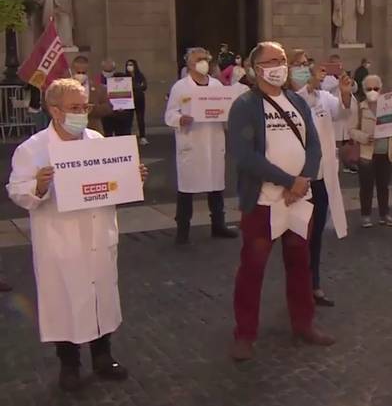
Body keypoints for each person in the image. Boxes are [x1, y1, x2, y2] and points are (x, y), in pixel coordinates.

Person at [6, 78, 148, 391]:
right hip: (61, 240)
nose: (81, 113)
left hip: (99, 233)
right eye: (74, 108)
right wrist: (40, 186)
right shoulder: (32, 150)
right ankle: (69, 364)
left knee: (101, 298)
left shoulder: (98, 140)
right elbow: (17, 191)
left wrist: (132, 177)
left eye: (84, 107)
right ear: (53, 110)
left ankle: (103, 356)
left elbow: (115, 184)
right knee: (65, 302)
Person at [228, 41, 335, 361]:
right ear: (257, 68)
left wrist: (302, 181)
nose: (280, 65)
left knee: (300, 263)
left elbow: (313, 145)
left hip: (298, 201)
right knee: (253, 267)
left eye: (283, 60)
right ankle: (244, 333)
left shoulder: (295, 102)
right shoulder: (245, 105)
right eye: (273, 60)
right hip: (263, 201)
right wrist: (289, 181)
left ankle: (304, 323)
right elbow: (245, 156)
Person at [289, 50, 354, 306]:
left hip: (321, 178)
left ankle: (314, 284)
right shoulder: (289, 98)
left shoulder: (324, 97)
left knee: (315, 235)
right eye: (299, 65)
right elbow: (300, 104)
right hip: (298, 178)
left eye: (307, 64)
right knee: (298, 237)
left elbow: (341, 113)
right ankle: (298, 287)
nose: (305, 68)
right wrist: (308, 85)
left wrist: (345, 92)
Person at [165, 48, 238, 244]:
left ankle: (218, 225)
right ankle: (183, 229)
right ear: (189, 64)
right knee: (187, 188)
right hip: (191, 142)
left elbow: (226, 108)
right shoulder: (180, 87)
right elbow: (169, 114)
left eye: (205, 58)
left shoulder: (216, 85)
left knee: (216, 186)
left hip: (213, 141)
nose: (203, 62)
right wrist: (181, 119)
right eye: (198, 59)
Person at [350, 74, 392, 228]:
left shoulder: (390, 106)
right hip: (367, 153)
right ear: (364, 90)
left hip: (387, 152)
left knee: (383, 186)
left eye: (376, 88)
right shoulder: (359, 108)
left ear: (381, 88)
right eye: (369, 88)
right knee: (366, 186)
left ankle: (384, 214)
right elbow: (351, 130)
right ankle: (365, 215)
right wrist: (365, 137)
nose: (373, 91)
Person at [98, 59, 134, 137]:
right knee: (107, 134)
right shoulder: (97, 79)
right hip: (106, 112)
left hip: (121, 112)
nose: (108, 73)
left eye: (110, 71)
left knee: (122, 135)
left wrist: (124, 105)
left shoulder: (122, 77)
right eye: (106, 71)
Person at [125, 59, 149, 145]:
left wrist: (135, 87)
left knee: (140, 118)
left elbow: (144, 86)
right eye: (128, 65)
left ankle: (142, 137)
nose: (129, 67)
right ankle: (128, 137)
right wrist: (137, 86)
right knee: (128, 119)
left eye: (131, 65)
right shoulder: (125, 77)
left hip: (139, 99)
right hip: (128, 100)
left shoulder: (140, 75)